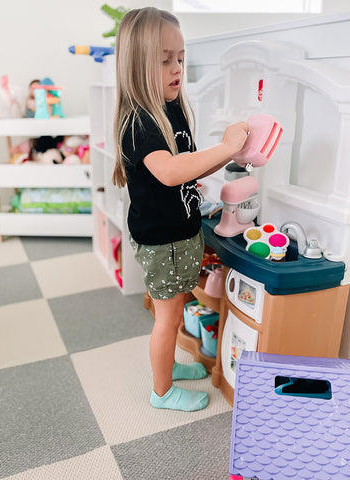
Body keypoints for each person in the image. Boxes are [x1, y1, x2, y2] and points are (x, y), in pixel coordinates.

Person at [112, 7, 249, 412]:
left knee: (174, 310)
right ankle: (161, 392)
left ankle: (167, 368)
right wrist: (224, 147)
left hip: (178, 234)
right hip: (162, 241)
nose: (177, 68)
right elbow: (170, 172)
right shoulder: (139, 121)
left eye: (181, 58)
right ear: (138, 65)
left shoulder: (170, 107)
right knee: (168, 317)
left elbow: (185, 165)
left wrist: (221, 159)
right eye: (165, 59)